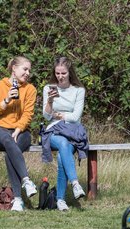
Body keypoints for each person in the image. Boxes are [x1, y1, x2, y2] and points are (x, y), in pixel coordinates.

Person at [0, 56, 38, 212]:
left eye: (29, 70)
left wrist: (18, 129)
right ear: (14, 68)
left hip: (21, 131)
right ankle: (26, 180)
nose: (28, 73)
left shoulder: (30, 89)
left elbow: (28, 114)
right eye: (25, 69)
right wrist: (7, 99)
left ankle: (17, 200)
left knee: (10, 150)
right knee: (9, 141)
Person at [42, 56, 88, 211]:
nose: (60, 77)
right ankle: (75, 183)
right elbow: (47, 116)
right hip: (54, 130)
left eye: (63, 73)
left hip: (73, 131)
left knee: (63, 156)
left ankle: (60, 200)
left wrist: (61, 115)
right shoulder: (48, 88)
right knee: (62, 143)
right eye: (57, 73)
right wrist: (49, 102)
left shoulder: (78, 90)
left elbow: (76, 117)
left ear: (70, 73)